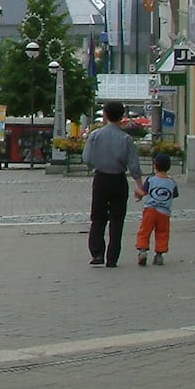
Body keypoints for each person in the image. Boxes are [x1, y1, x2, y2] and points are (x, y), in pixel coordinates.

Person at [81, 100, 144, 267]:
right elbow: (134, 165)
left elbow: (86, 158)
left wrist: (97, 163)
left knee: (98, 217)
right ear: (122, 116)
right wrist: (140, 186)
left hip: (101, 179)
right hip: (118, 179)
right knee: (117, 219)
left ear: (106, 115)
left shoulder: (95, 136)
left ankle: (97, 253)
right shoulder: (126, 139)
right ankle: (112, 257)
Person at [134, 153, 180, 266]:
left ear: (155, 165)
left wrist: (137, 193)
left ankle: (143, 251)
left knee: (145, 231)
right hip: (164, 212)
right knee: (162, 233)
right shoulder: (172, 182)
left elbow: (142, 192)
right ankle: (159, 255)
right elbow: (174, 195)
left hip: (150, 210)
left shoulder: (151, 180)